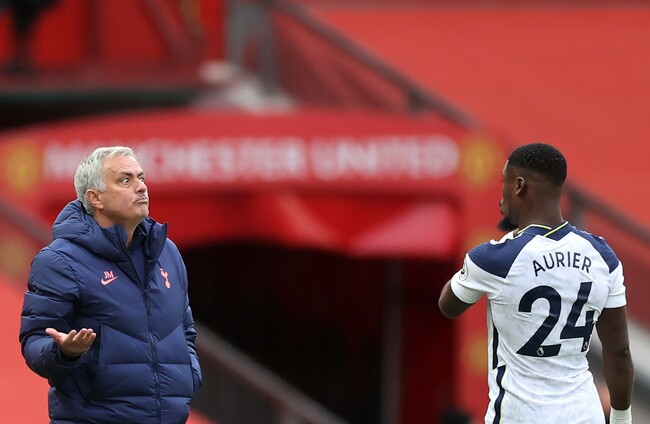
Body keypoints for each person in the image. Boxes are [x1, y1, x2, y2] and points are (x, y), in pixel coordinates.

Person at [438, 143, 634, 423]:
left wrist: (479, 262)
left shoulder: (496, 258)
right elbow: (620, 351)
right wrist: (621, 419)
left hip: (521, 416)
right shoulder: (603, 256)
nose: (501, 196)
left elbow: (448, 306)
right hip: (584, 414)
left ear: (519, 186)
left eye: (503, 183)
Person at [19, 146, 202, 423]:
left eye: (141, 178)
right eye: (125, 180)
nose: (141, 187)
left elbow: (185, 329)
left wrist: (191, 374)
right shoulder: (59, 260)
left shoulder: (168, 252)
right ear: (95, 198)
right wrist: (64, 352)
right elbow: (35, 341)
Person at [1, 0, 60, 75]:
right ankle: (20, 59)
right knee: (21, 28)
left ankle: (23, 59)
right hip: (24, 5)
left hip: (29, 4)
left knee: (25, 27)